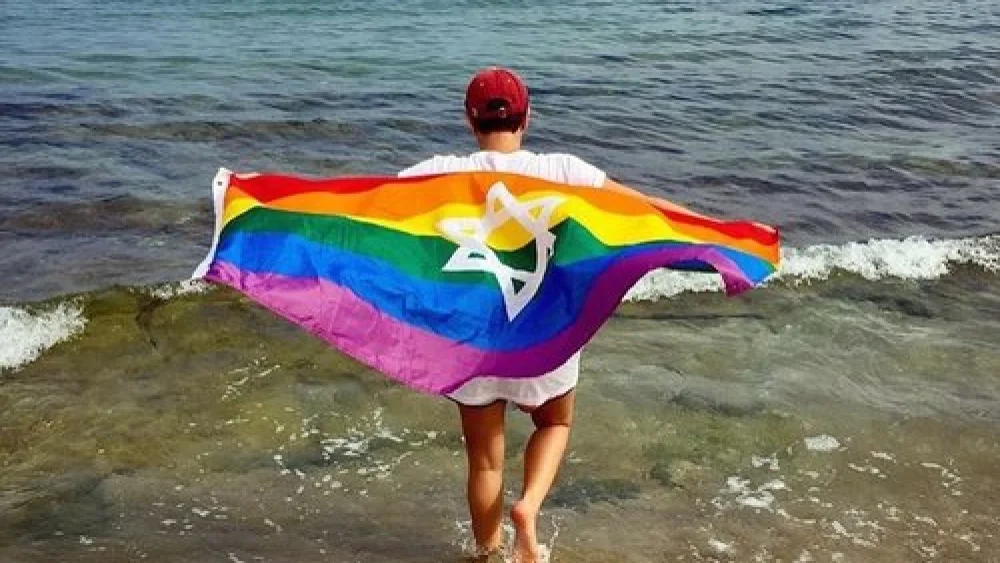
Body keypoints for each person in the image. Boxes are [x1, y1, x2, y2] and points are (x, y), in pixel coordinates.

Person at [397, 67, 639, 562]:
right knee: (555, 424)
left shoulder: (437, 171)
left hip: (475, 340)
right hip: (543, 335)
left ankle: (488, 552)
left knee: (485, 462)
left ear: (470, 120)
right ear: (528, 116)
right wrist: (718, 230)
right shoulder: (565, 171)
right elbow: (638, 211)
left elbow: (362, 207)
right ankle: (528, 507)